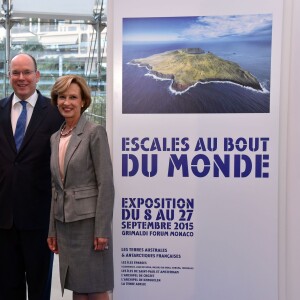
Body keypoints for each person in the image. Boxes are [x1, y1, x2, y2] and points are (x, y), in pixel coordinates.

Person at [0, 53, 64, 300]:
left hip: (39, 220)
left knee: (39, 288)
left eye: (27, 72)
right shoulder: (1, 109)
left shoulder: (55, 113)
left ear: (37, 76)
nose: (21, 78)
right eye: (16, 72)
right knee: (7, 288)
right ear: (9, 76)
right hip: (4, 220)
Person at [47, 75, 114, 300]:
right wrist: (52, 230)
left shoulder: (95, 132)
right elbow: (55, 189)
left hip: (89, 225)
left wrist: (102, 229)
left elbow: (106, 184)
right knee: (77, 286)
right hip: (65, 226)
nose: (67, 102)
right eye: (62, 97)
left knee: (95, 288)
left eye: (73, 97)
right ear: (56, 100)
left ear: (83, 101)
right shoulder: (55, 138)